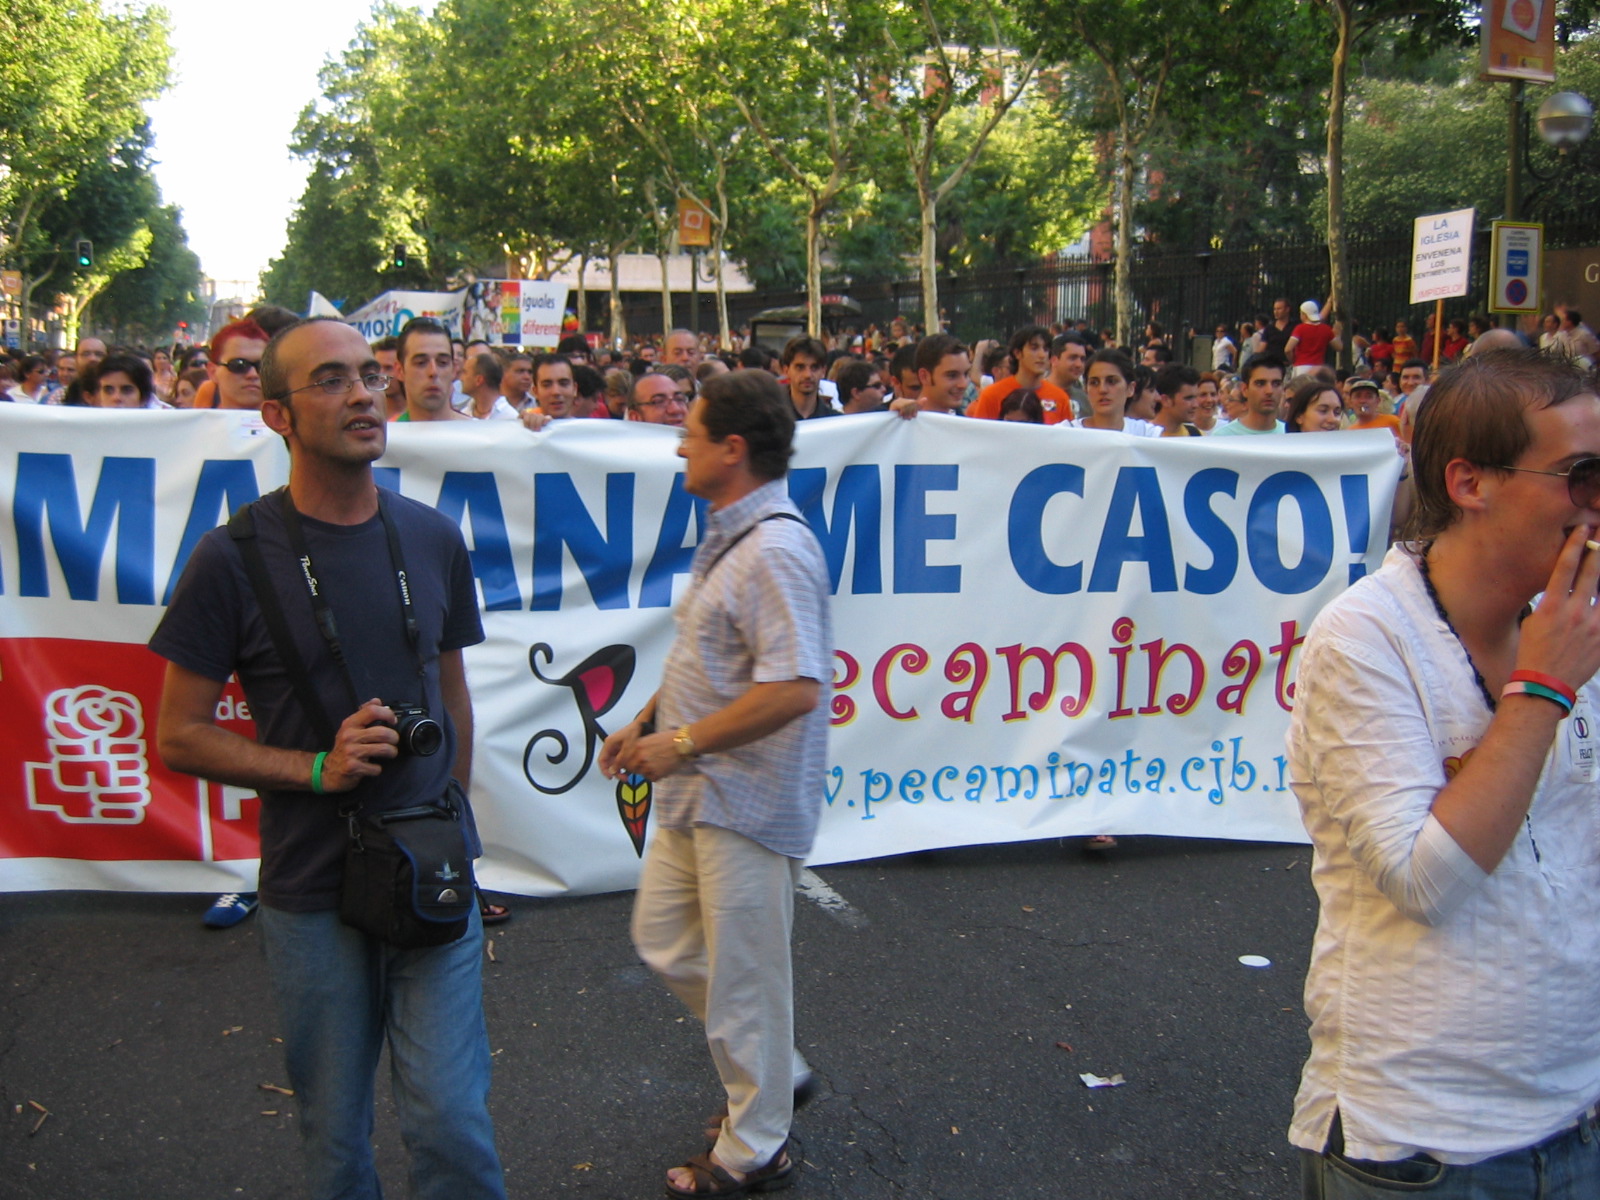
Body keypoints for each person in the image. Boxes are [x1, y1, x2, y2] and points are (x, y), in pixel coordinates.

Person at [150, 317, 506, 1199]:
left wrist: (451, 812)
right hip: (312, 888)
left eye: (366, 375)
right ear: (276, 414)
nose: (363, 395)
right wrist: (317, 770)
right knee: (335, 1137)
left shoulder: (430, 538)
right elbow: (179, 733)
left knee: (452, 1121)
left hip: (431, 872)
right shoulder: (230, 559)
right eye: (331, 381)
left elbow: (452, 691)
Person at [1288, 348, 1600, 1198]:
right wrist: (1540, 690)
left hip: (1576, 1121)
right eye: (1581, 475)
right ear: (1470, 482)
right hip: (1423, 1150)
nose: (1595, 503)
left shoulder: (1572, 622)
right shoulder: (1364, 639)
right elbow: (1428, 881)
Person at [599, 368, 830, 1199]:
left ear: (732, 450)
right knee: (665, 942)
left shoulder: (776, 549)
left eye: (689, 432)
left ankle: (755, 1146)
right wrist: (649, 720)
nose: (676, 443)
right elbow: (708, 654)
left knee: (741, 979)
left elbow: (797, 686)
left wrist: (682, 741)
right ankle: (772, 1069)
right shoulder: (734, 533)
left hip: (748, 801)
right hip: (700, 790)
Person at [968, 326, 1070, 423]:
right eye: (1034, 348)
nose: (1042, 355)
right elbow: (981, 437)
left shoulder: (1060, 398)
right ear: (1017, 353)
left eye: (1046, 349)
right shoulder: (992, 395)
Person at [1069, 349, 1162, 436]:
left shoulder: (1146, 434)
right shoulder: (1067, 433)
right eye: (1094, 383)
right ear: (1086, 389)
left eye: (1112, 381)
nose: (1102, 390)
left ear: (1130, 388)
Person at [396, 318, 470, 422]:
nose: (433, 372)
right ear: (400, 370)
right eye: (421, 363)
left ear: (453, 369)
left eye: (443, 362)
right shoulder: (387, 436)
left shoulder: (481, 435)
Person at [1211, 356, 1286, 435]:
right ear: (1245, 389)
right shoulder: (1222, 437)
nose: (1269, 391)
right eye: (1260, 383)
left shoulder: (1291, 434)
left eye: (1276, 384)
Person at [914, 334, 970, 414]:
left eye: (966, 374)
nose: (963, 384)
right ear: (924, 376)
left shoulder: (964, 421)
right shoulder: (903, 424)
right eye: (952, 375)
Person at [1285, 301, 1341, 377]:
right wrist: (1337, 334)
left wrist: (1293, 360)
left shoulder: (1300, 328)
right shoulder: (1326, 329)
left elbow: (1288, 349)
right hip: (1318, 368)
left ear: (1304, 315)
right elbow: (1338, 347)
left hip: (1301, 367)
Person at [1151, 364, 1203, 437]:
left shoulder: (1197, 436)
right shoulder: (1143, 436)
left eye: (1196, 397)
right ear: (1166, 400)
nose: (1195, 405)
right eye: (1188, 398)